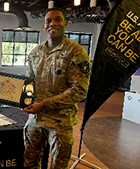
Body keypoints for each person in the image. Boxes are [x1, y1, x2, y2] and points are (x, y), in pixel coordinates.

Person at [23, 8, 91, 169]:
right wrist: (21, 97)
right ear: (44, 26)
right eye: (48, 21)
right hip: (36, 118)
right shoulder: (35, 53)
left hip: (60, 122)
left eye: (58, 20)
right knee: (29, 162)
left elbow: (79, 90)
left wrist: (45, 103)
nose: (53, 23)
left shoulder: (76, 52)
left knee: (58, 166)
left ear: (65, 24)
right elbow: (29, 83)